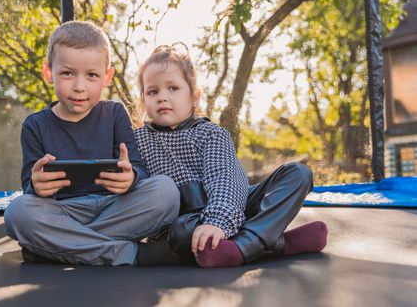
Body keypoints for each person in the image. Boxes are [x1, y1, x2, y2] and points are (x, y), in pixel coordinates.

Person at [133, 43, 328, 267]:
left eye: (173, 88)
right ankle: (277, 244)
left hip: (231, 208)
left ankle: (242, 246)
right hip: (185, 225)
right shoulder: (137, 140)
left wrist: (217, 222)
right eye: (153, 91)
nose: (162, 97)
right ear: (143, 99)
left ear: (194, 97)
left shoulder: (211, 134)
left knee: (298, 173)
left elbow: (225, 180)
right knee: (182, 232)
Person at [4, 21, 180, 266]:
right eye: (67, 73)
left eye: (92, 75)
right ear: (48, 73)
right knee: (18, 213)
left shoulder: (115, 114)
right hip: (64, 211)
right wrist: (37, 185)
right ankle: (125, 253)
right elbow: (30, 189)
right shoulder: (34, 125)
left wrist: (130, 179)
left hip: (115, 207)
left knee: (166, 191)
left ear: (107, 77)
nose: (79, 86)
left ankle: (56, 247)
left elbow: (139, 169)